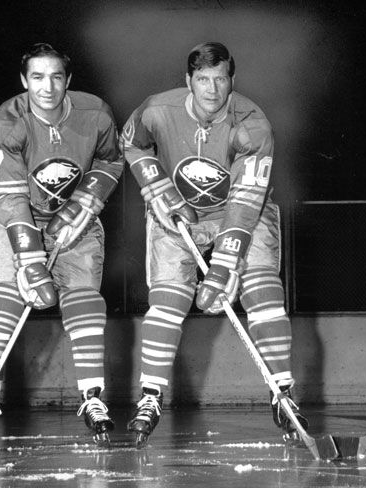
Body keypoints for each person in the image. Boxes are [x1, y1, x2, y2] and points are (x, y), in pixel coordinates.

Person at [120, 41, 308, 448]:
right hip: (179, 214)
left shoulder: (252, 124)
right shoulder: (156, 109)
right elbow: (132, 142)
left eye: (220, 79)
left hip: (242, 212)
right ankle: (150, 397)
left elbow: (246, 200)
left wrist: (225, 260)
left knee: (262, 292)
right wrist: (158, 189)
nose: (211, 89)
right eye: (202, 79)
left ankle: (283, 393)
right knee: (168, 301)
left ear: (231, 80)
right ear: (188, 81)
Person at [0, 43, 124, 447]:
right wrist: (29, 256)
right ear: (24, 81)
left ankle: (92, 397)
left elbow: (111, 160)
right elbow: (9, 195)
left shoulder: (95, 113)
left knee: (85, 298)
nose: (47, 86)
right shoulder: (6, 122)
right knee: (6, 294)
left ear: (68, 80)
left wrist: (83, 205)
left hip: (75, 216)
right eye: (37, 77)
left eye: (56, 76)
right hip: (10, 215)